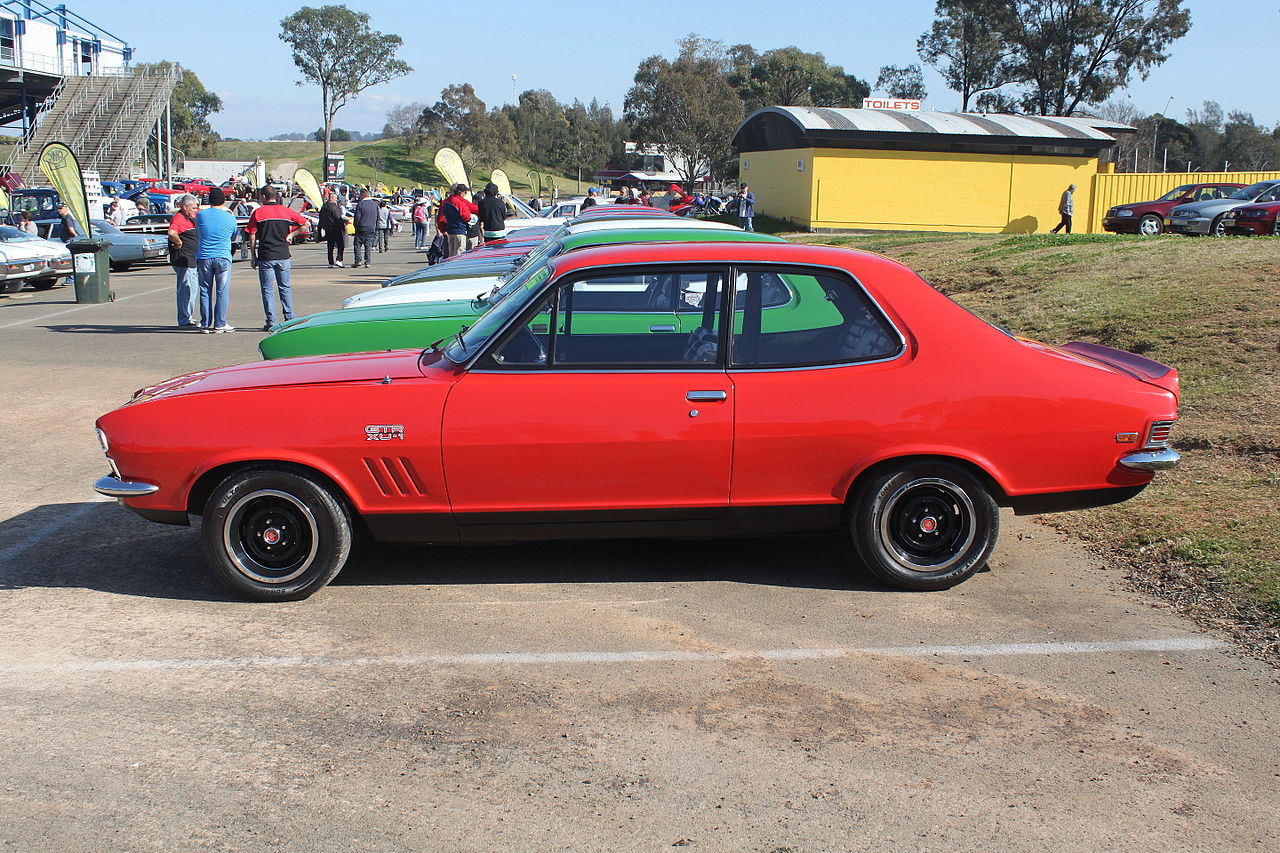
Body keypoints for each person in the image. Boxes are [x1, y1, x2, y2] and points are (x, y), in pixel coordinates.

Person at [247, 186, 308, 332]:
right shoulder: (286, 211)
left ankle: (271, 320)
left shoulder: (258, 213)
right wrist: (291, 235)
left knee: (267, 289)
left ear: (263, 196)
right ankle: (289, 317)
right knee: (285, 287)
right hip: (283, 254)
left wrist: (253, 256)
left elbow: (252, 234)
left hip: (266, 255)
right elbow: (305, 224)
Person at [195, 187, 238, 333]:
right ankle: (220, 322)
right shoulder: (229, 216)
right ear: (223, 200)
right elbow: (233, 235)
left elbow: (198, 231)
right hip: (223, 256)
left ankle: (205, 323)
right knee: (222, 291)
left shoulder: (201, 215)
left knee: (205, 290)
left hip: (204, 257)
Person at [166, 193, 201, 328]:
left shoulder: (191, 218)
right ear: (185, 208)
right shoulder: (179, 218)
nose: (195, 210)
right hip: (183, 260)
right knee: (186, 289)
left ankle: (188, 316)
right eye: (193, 208)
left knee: (192, 288)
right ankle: (184, 318)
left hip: (191, 259)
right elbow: (171, 232)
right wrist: (178, 242)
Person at [441, 184, 478, 258]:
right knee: (459, 253)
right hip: (459, 230)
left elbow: (443, 216)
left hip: (450, 230)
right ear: (461, 192)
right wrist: (470, 219)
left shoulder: (446, 201)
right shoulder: (459, 202)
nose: (466, 194)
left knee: (451, 254)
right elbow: (466, 216)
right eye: (465, 192)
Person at [351, 189, 380, 267]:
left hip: (361, 227)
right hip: (371, 228)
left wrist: (356, 226)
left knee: (357, 244)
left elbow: (357, 217)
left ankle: (358, 260)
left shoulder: (361, 204)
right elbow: (377, 217)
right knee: (368, 246)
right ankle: (367, 262)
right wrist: (376, 227)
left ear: (363, 195)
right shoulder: (375, 204)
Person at [319, 195, 348, 266]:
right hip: (336, 228)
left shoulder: (323, 207)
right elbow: (338, 218)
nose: (336, 200)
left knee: (330, 246)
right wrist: (343, 228)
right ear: (331, 198)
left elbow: (321, 219)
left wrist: (320, 228)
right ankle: (339, 259)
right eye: (335, 198)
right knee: (340, 245)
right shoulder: (334, 207)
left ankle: (330, 262)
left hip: (328, 229)